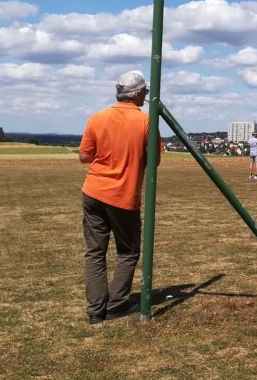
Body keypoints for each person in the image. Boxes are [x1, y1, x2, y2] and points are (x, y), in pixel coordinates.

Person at [78, 70, 151, 325]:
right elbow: (154, 160)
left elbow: (85, 156)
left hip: (93, 191)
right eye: (145, 92)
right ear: (138, 93)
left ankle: (95, 310)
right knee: (128, 251)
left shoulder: (97, 118)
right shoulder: (145, 122)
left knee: (95, 252)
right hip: (123, 196)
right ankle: (117, 304)